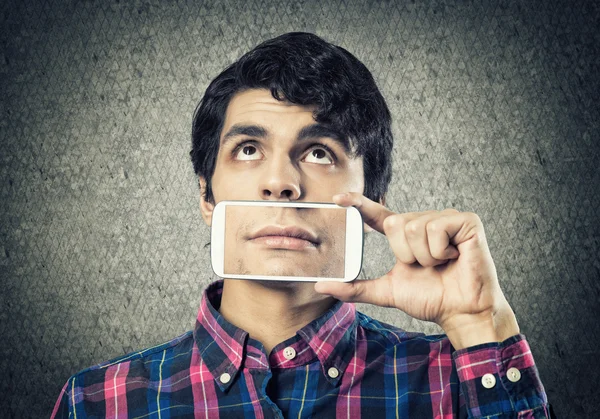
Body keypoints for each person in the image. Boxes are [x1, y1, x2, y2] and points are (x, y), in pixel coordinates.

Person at [51, 32, 555, 418]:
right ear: (206, 194)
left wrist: (479, 324)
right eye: (248, 149)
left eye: (318, 152)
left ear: (371, 200)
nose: (280, 182)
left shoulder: (457, 380)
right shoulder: (99, 402)